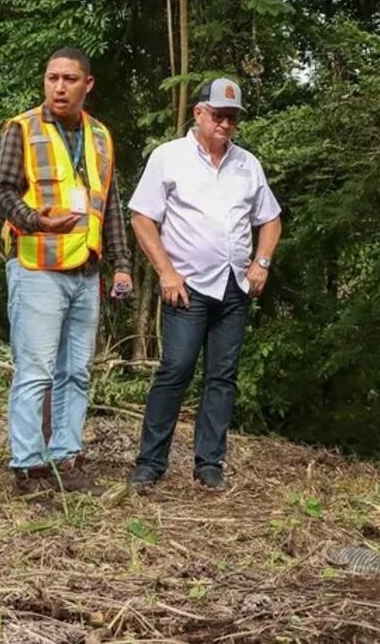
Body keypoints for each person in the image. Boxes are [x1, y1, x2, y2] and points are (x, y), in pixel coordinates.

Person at [127, 78, 282, 491]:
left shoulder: (247, 164)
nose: (226, 125)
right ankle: (150, 462)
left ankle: (209, 462)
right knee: (176, 368)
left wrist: (261, 263)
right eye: (219, 116)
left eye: (232, 118)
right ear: (199, 113)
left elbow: (270, 218)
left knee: (222, 375)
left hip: (234, 286)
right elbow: (142, 217)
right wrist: (165, 271)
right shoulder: (169, 157)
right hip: (187, 285)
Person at [0, 47, 132, 493]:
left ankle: (66, 457)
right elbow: (3, 191)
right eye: (52, 77)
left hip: (86, 271)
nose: (59, 87)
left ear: (87, 85)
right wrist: (36, 220)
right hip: (37, 265)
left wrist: (122, 263)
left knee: (77, 370)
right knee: (36, 369)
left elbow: (108, 205)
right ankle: (27, 463)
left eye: (69, 79)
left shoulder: (101, 137)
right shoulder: (22, 128)